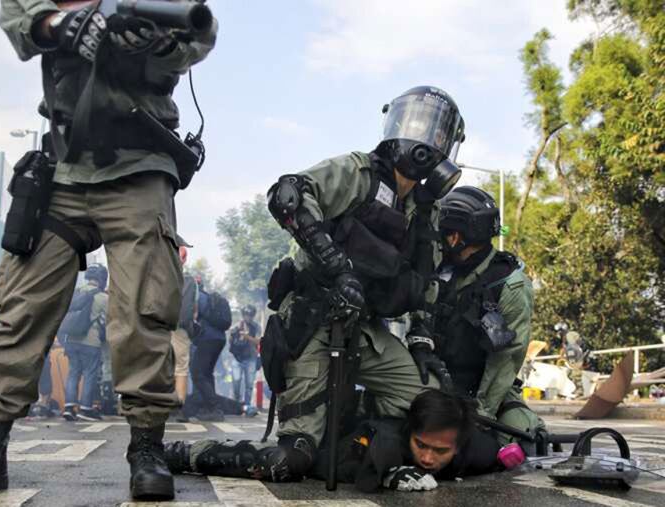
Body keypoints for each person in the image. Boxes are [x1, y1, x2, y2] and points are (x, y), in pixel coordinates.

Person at [0, 1, 217, 501]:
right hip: (64, 164)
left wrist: (147, 42)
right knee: (22, 306)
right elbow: (21, 16)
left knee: (144, 310)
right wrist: (61, 23)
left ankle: (145, 448)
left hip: (140, 165)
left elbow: (197, 35)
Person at [254, 86, 466, 481]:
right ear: (396, 124)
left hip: (365, 331)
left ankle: (362, 443)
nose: (424, 139)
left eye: (436, 133)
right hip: (314, 322)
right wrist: (339, 270)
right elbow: (288, 194)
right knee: (294, 456)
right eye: (417, 124)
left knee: (427, 405)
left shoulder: (425, 211)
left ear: (446, 146)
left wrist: (421, 340)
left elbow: (426, 283)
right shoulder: (359, 173)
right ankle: (195, 453)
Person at [165, 389, 500, 491]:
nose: (427, 458)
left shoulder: (478, 449)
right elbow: (348, 469)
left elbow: (506, 453)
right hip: (332, 446)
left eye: (440, 451)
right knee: (284, 463)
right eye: (421, 446)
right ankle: (184, 453)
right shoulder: (387, 439)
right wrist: (386, 471)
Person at [433, 186, 545, 447]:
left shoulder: (510, 283)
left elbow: (507, 358)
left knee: (520, 437)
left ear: (455, 236)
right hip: (436, 381)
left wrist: (481, 414)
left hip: (483, 391)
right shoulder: (439, 273)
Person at [61, 263, 108, 422]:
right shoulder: (103, 297)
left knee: (73, 373)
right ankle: (86, 408)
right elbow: (110, 320)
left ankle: (69, 407)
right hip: (91, 341)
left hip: (71, 340)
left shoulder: (75, 293)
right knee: (89, 374)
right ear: (102, 279)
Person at [190, 283, 233, 421]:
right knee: (207, 374)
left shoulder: (199, 297)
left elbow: (191, 317)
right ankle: (209, 408)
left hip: (207, 339)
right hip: (219, 339)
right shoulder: (210, 298)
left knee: (196, 373)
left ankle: (214, 408)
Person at [171, 237, 196, 421]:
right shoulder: (190, 282)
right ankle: (178, 408)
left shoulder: (160, 277)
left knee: (161, 366)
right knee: (181, 368)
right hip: (180, 330)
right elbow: (192, 309)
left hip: (159, 328)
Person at [230, 305, 261, 416]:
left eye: (250, 315)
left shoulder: (256, 327)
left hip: (251, 358)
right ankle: (236, 405)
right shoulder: (237, 326)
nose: (248, 317)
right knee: (236, 382)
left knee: (249, 385)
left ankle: (247, 406)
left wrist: (247, 337)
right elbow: (231, 340)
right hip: (237, 358)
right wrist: (237, 333)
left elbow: (258, 341)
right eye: (246, 315)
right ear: (243, 315)